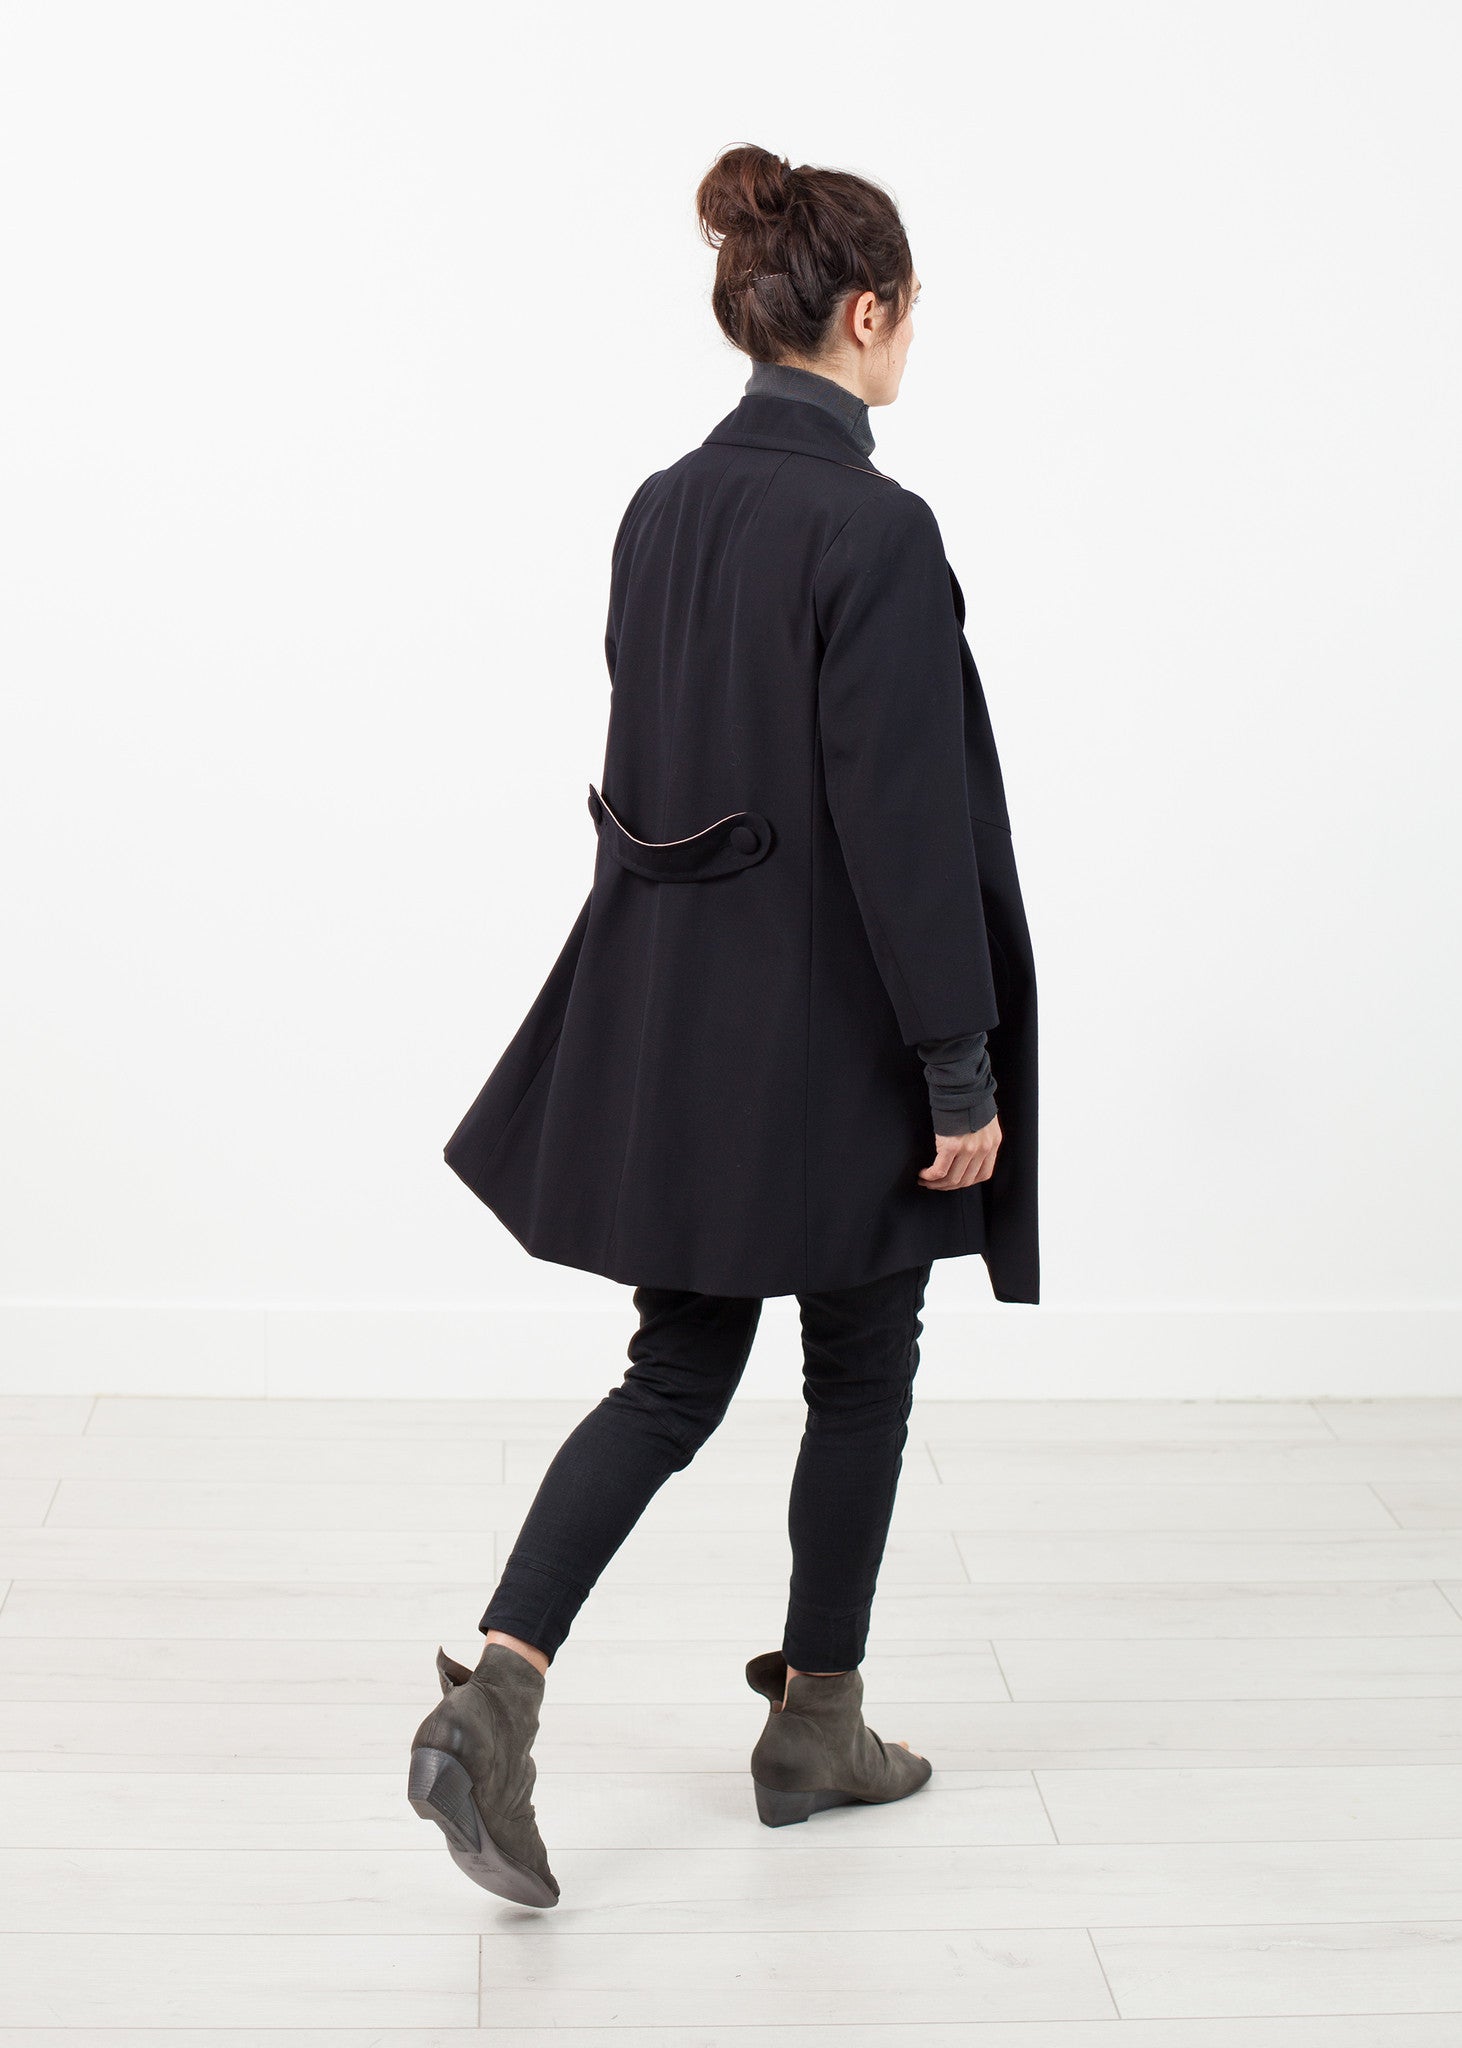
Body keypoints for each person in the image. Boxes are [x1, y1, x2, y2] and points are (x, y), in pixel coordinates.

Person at [409, 143, 1039, 1908]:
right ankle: (816, 1723)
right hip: (835, 1044)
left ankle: (494, 1698)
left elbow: (667, 759)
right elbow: (905, 826)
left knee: (674, 1372)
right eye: (910, 312)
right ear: (867, 312)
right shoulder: (873, 527)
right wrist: (957, 1067)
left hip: (677, 1024)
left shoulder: (661, 507)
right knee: (862, 1364)